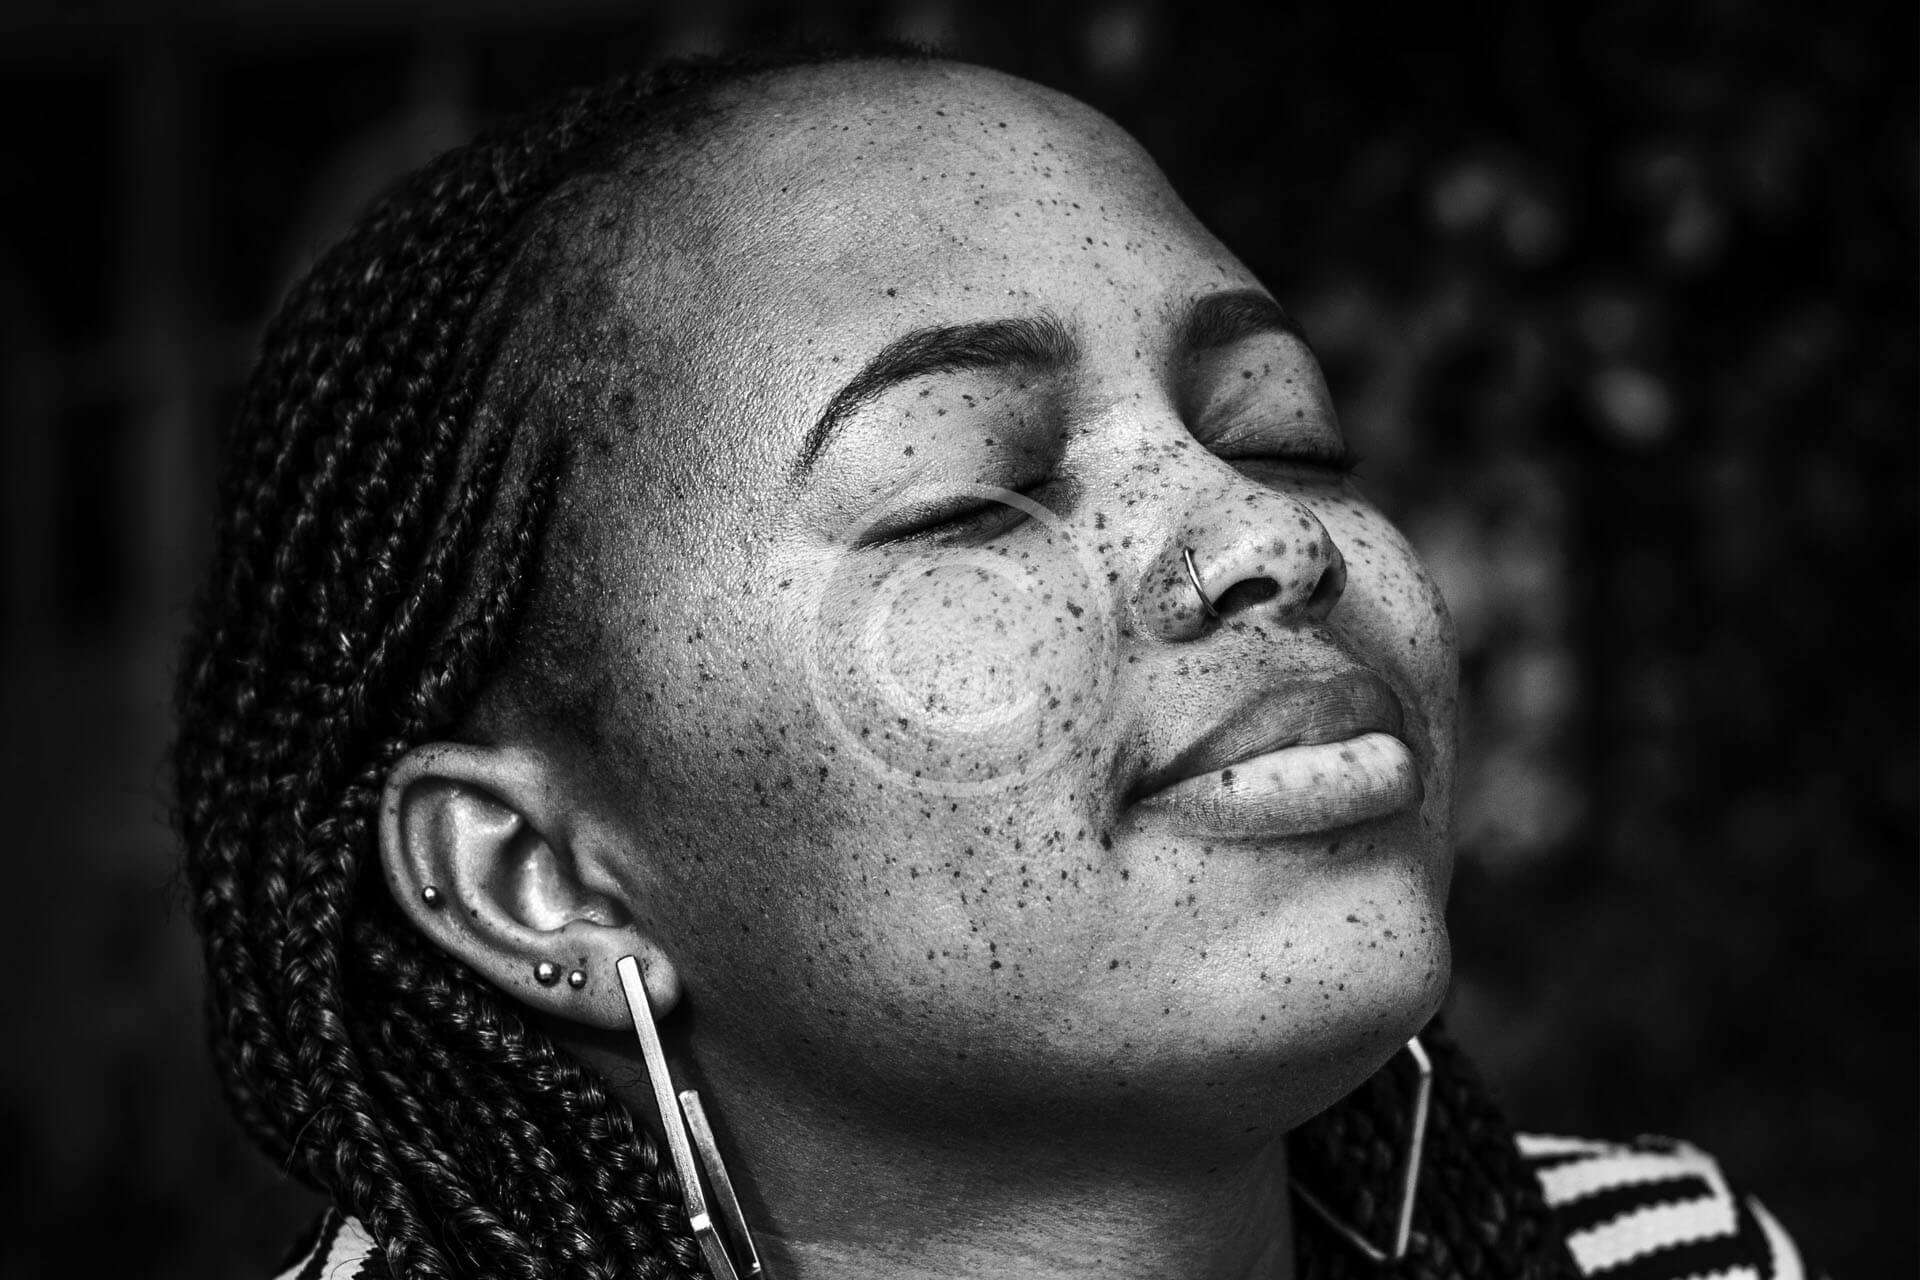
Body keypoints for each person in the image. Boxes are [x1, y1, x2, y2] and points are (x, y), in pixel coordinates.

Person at [172, 45, 1816, 1280]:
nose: (1269, 533)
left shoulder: (1661, 1256)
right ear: (540, 877)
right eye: (965, 491)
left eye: (1283, 433)